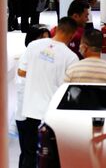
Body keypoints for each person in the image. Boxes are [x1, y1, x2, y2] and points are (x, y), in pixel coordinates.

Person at [17, 17, 79, 168]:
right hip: (52, 116)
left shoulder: (33, 45)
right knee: (49, 159)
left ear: (56, 29)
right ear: (72, 35)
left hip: (29, 110)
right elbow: (71, 88)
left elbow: (21, 71)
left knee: (29, 155)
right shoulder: (71, 57)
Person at [15, 27, 50, 167]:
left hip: (36, 112)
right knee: (29, 152)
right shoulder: (28, 59)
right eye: (41, 39)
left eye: (48, 38)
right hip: (27, 113)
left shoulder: (45, 60)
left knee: (31, 152)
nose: (45, 43)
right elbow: (22, 79)